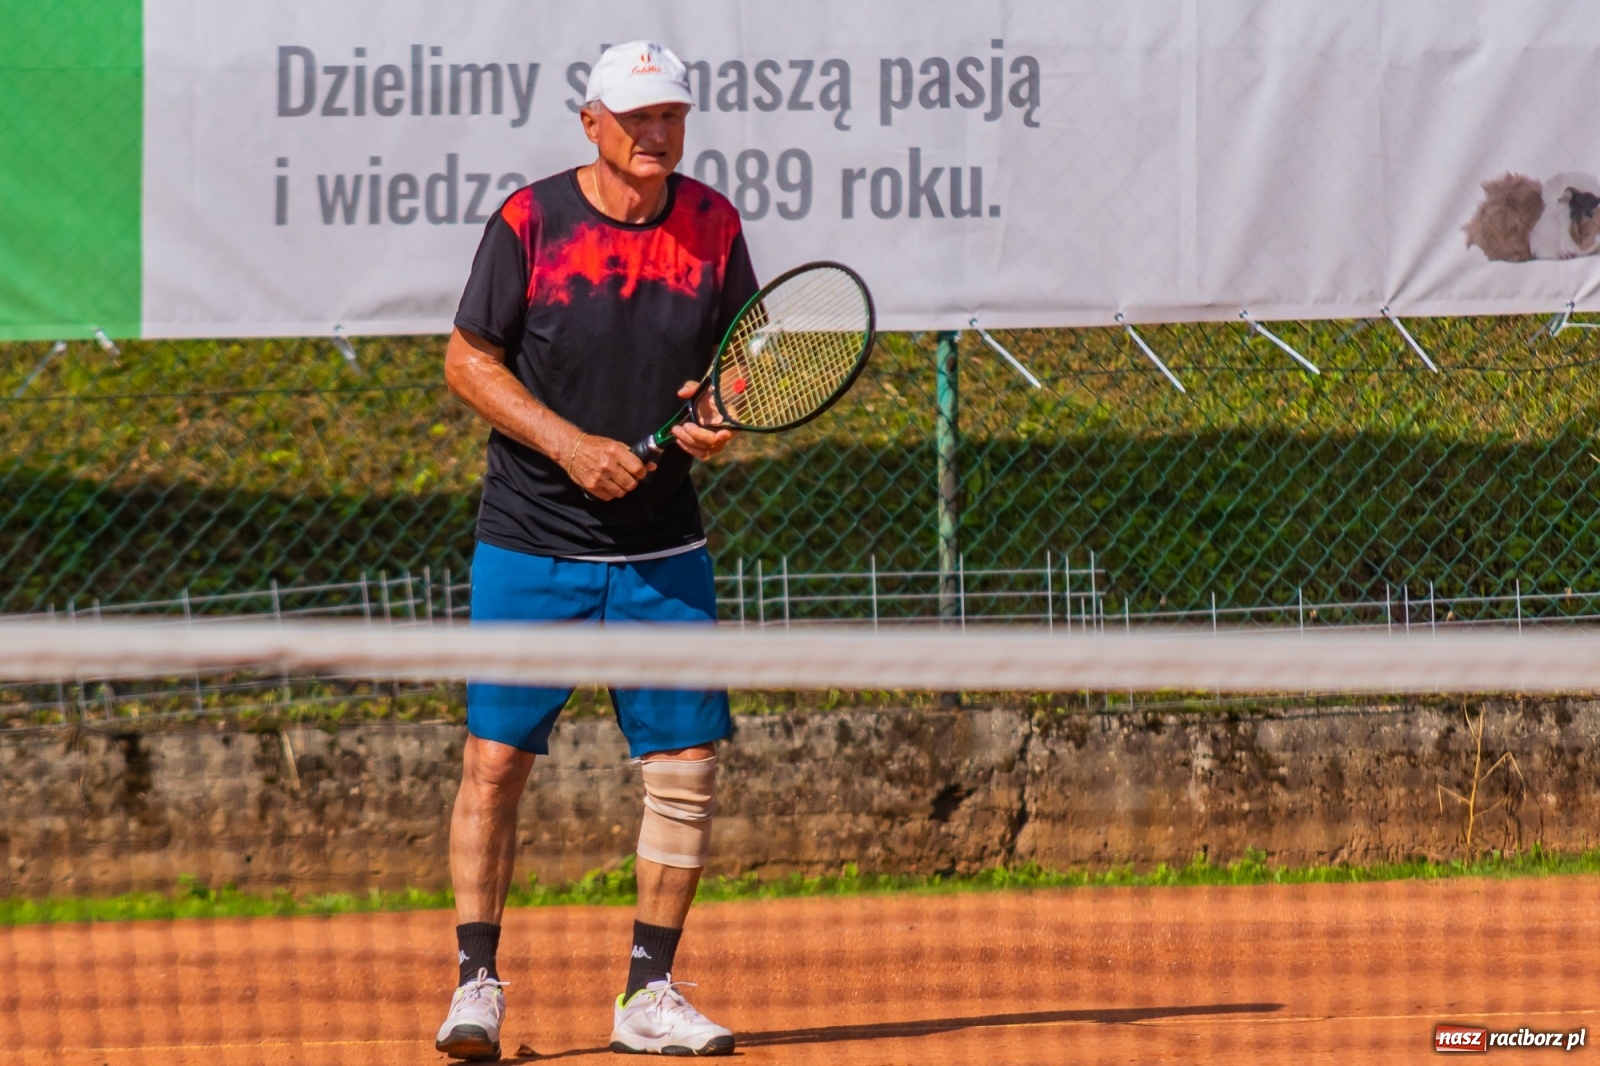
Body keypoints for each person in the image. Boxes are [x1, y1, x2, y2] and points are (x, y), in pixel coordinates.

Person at [431, 39, 757, 1060]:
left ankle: (647, 995)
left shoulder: (712, 223)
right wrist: (570, 447)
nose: (656, 132)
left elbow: (737, 366)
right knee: (495, 761)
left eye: (670, 114)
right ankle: (476, 982)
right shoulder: (531, 221)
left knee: (686, 767)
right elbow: (466, 359)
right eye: (636, 116)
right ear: (591, 124)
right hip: (530, 537)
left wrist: (718, 414)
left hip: (663, 547)